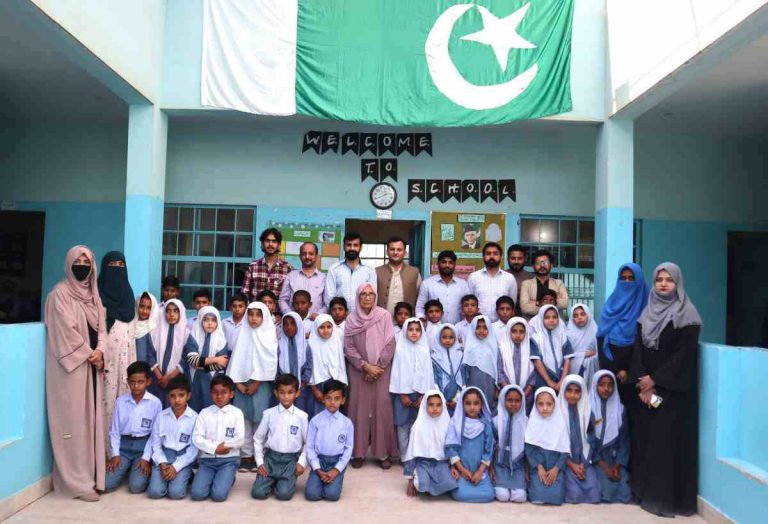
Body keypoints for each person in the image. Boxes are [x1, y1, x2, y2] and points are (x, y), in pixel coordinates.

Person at [630, 263, 702, 518]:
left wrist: (655, 381)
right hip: (646, 392)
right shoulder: (646, 313)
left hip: (670, 393)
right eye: (659, 279)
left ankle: (664, 499)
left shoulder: (688, 315)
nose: (662, 284)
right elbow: (637, 348)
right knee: (645, 440)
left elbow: (684, 355)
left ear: (678, 284)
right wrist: (642, 383)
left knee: (664, 443)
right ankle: (642, 492)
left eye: (668, 280)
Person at [45, 245, 107, 501]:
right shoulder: (59, 294)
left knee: (91, 423)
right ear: (68, 263)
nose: (82, 264)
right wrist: (88, 352)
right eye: (77, 260)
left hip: (93, 366)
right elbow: (64, 329)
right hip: (72, 370)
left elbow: (102, 327)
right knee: (73, 423)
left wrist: (101, 350)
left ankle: (92, 477)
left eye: (87, 260)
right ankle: (76, 482)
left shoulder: (94, 295)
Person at [343, 283, 397, 469]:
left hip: (381, 372)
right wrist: (365, 366)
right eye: (363, 295)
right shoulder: (351, 319)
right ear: (358, 298)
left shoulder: (384, 316)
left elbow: (390, 343)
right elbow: (348, 347)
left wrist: (377, 368)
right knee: (358, 409)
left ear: (375, 297)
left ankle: (383, 453)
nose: (367, 297)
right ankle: (357, 452)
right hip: (359, 372)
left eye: (371, 294)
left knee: (382, 409)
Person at [227, 302, 277, 471]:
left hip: (261, 385)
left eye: (258, 314)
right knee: (244, 419)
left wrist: (256, 383)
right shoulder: (243, 334)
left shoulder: (269, 337)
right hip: (241, 384)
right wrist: (239, 384)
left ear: (264, 317)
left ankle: (259, 455)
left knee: (260, 420)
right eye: (251, 314)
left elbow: (270, 363)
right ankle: (246, 455)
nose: (254, 318)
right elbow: (235, 361)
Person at [104, 361, 162, 494]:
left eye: (141, 382)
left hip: (143, 446)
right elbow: (115, 431)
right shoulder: (121, 402)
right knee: (106, 484)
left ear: (148, 382)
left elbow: (155, 434)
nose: (136, 386)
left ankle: (141, 471)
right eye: (132, 382)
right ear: (128, 381)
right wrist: (115, 454)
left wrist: (146, 458)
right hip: (124, 447)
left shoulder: (155, 403)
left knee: (136, 487)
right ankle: (125, 468)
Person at [596, 263, 649, 408]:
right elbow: (601, 340)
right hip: (612, 375)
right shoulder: (610, 308)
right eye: (623, 278)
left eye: (631, 279)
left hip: (640, 376)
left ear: (639, 282)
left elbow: (647, 346)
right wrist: (617, 370)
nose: (626, 282)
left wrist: (630, 373)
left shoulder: (647, 310)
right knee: (613, 414)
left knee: (640, 413)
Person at [99, 251, 137, 444]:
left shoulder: (130, 302)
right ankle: (100, 454)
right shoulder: (96, 300)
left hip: (125, 371)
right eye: (112, 265)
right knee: (101, 410)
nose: (116, 269)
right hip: (102, 370)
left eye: (120, 265)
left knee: (124, 410)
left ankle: (120, 455)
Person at [251, 374, 309, 501]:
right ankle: (270, 480)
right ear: (276, 393)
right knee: (258, 493)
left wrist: (301, 463)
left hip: (290, 460)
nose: (286, 396)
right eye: (282, 392)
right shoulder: (269, 414)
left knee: (284, 495)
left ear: (297, 393)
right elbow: (258, 438)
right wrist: (260, 462)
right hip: (270, 459)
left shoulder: (302, 417)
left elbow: (308, 443)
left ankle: (282, 481)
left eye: (290, 392)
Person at [190, 374, 244, 502]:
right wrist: (214, 448)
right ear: (211, 393)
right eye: (215, 393)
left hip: (228, 460)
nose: (219, 396)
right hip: (207, 461)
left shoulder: (237, 413)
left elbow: (240, 438)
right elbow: (197, 438)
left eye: (223, 392)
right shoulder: (204, 413)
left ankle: (229, 476)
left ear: (231, 394)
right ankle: (216, 477)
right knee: (198, 494)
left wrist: (224, 446)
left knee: (218, 496)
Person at [147, 376, 198, 500]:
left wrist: (176, 467)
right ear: (167, 397)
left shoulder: (195, 418)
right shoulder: (161, 416)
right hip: (164, 456)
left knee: (175, 493)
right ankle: (166, 476)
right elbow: (156, 444)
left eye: (181, 395)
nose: (177, 400)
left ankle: (187, 474)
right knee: (155, 492)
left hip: (183, 457)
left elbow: (194, 449)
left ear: (188, 396)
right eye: (172, 396)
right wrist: (162, 462)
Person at [305, 380, 354, 502]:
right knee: (311, 495)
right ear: (323, 398)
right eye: (328, 398)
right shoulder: (315, 421)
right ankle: (320, 479)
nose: (332, 402)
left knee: (332, 495)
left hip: (336, 462)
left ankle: (333, 481)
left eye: (337, 398)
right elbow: (309, 447)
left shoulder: (347, 423)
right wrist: (317, 469)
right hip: (319, 461)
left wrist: (336, 469)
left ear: (343, 400)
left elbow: (348, 449)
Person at [390, 318, 433, 456]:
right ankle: (404, 456)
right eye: (410, 329)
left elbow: (428, 374)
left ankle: (415, 454)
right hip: (402, 395)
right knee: (402, 426)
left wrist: (423, 396)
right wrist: (402, 394)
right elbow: (396, 373)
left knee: (417, 426)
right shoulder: (400, 350)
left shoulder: (425, 350)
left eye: (417, 330)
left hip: (420, 395)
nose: (414, 333)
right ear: (405, 331)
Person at [587, 370, 632, 504]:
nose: (606, 389)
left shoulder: (621, 410)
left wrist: (617, 465)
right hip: (596, 459)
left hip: (615, 459)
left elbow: (624, 440)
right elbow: (587, 441)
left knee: (625, 491)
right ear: (595, 385)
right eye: (601, 385)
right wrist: (604, 466)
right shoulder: (588, 409)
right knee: (604, 489)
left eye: (610, 385)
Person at [403, 390, 458, 497]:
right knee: (422, 484)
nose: (435, 408)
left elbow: (452, 448)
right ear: (424, 406)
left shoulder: (447, 425)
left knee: (451, 483)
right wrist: (410, 481)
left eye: (438, 405)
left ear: (443, 406)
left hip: (441, 464)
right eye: (431, 405)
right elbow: (410, 453)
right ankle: (417, 477)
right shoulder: (418, 426)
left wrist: (453, 466)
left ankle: (433, 484)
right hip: (423, 464)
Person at [445, 387, 495, 503]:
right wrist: (462, 470)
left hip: (480, 471)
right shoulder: (455, 423)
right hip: (462, 471)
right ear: (462, 404)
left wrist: (480, 472)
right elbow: (451, 449)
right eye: (468, 403)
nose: (472, 407)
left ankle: (480, 479)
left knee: (488, 494)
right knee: (460, 494)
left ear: (481, 404)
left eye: (476, 403)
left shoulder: (486, 425)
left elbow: (488, 451)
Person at [558, 374, 600, 504]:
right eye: (569, 391)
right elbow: (556, 444)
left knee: (595, 495)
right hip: (565, 462)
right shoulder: (557, 413)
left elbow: (592, 441)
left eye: (577, 391)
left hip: (584, 462)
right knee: (574, 495)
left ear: (583, 393)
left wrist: (583, 464)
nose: (572, 395)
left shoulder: (588, 413)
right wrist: (571, 465)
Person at [525, 387, 569, 505]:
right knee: (536, 497)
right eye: (540, 404)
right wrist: (539, 467)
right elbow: (529, 449)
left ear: (555, 404)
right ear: (535, 405)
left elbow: (565, 450)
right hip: (538, 469)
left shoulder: (560, 423)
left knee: (556, 497)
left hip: (556, 469)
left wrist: (556, 469)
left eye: (549, 404)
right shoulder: (533, 423)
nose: (545, 408)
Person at [183, 306, 230, 412]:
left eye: (213, 320)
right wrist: (215, 359)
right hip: (194, 379)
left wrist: (199, 364)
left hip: (212, 381)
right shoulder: (193, 336)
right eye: (206, 319)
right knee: (194, 410)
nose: (209, 323)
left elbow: (222, 364)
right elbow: (192, 360)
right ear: (200, 320)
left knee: (211, 411)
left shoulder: (221, 339)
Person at [491, 385, 528, 503]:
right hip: (500, 465)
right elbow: (491, 446)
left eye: (517, 401)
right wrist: (490, 467)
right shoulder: (496, 421)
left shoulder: (526, 422)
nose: (513, 404)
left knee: (520, 497)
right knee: (502, 496)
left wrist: (527, 469)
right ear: (503, 400)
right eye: (510, 400)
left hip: (518, 466)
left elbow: (528, 449)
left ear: (522, 402)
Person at [148, 299, 187, 407]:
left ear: (181, 312)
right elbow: (150, 353)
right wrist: (160, 377)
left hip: (176, 378)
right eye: (168, 311)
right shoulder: (155, 330)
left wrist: (168, 377)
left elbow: (185, 358)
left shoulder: (187, 333)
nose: (171, 314)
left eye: (175, 311)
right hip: (157, 378)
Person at [324, 232, 377, 312]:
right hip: (339, 319)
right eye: (349, 245)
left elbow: (373, 296)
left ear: (360, 247)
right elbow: (329, 297)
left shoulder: (369, 269)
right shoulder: (334, 269)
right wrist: (338, 313)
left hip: (362, 319)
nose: (352, 248)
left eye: (355, 245)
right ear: (344, 247)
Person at [308, 314, 348, 417]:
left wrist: (342, 385)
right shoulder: (311, 344)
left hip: (335, 384)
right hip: (318, 385)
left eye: (329, 327)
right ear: (316, 328)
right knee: (319, 415)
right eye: (322, 327)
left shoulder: (336, 342)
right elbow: (309, 369)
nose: (326, 330)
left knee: (334, 416)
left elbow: (341, 365)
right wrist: (314, 389)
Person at [416, 250, 470, 325]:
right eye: (444, 262)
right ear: (438, 264)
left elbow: (468, 306)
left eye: (450, 262)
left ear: (454, 265)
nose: (447, 265)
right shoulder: (427, 284)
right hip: (433, 331)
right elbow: (420, 308)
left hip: (458, 331)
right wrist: (422, 324)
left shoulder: (463, 284)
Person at [468, 243, 518, 322]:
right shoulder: (473, 277)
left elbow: (512, 303)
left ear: (501, 257)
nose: (491, 256)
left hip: (502, 326)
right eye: (488, 254)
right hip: (479, 326)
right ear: (483, 257)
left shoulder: (509, 278)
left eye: (495, 254)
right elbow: (469, 302)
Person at [241, 228, 294, 303]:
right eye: (267, 241)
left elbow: (291, 295)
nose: (270, 244)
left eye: (274, 241)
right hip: (256, 313)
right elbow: (244, 293)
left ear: (279, 245)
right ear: (262, 244)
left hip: (278, 314)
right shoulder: (253, 267)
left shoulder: (288, 268)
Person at [530, 305, 574, 392]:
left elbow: (567, 359)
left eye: (554, 317)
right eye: (547, 317)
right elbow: (536, 361)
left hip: (561, 377)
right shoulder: (535, 338)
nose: (551, 320)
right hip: (542, 378)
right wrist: (549, 381)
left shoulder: (562, 336)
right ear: (541, 319)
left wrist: (562, 380)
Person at [277, 312, 314, 415]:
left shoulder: (306, 345)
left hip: (300, 390)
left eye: (293, 323)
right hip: (282, 389)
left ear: (299, 325)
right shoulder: (278, 344)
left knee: (299, 415)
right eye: (285, 324)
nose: (289, 327)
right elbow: (275, 366)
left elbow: (309, 366)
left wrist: (302, 382)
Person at [461, 315, 499, 414]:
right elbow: (465, 370)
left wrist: (497, 387)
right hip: (473, 383)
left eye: (485, 327)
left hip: (489, 384)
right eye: (478, 327)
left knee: (488, 407)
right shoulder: (469, 348)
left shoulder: (494, 347)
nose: (481, 330)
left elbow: (497, 368)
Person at [279, 241, 327, 317]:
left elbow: (327, 303)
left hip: (316, 323)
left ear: (317, 256)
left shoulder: (324, 278)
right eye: (304, 254)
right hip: (293, 324)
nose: (307, 256)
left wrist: (319, 314)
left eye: (311, 254)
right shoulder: (291, 276)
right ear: (300, 256)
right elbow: (283, 300)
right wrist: (290, 314)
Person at [376, 236, 422, 314]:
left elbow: (421, 298)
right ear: (387, 252)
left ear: (405, 253)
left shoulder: (414, 272)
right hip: (382, 320)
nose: (395, 252)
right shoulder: (377, 272)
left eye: (399, 250)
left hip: (407, 321)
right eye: (392, 249)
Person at [497, 318, 535, 411]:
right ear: (508, 331)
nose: (518, 335)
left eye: (521, 332)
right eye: (514, 331)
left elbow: (533, 374)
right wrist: (509, 392)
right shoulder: (502, 348)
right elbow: (499, 371)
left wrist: (524, 394)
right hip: (507, 394)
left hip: (527, 395)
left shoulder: (531, 348)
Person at [520, 250, 569, 319]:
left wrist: (536, 302)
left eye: (545, 262)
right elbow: (524, 307)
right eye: (538, 263)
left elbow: (565, 303)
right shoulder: (526, 284)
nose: (542, 265)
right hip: (532, 326)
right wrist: (553, 302)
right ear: (533, 267)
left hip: (555, 325)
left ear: (551, 266)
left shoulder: (558, 283)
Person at [430, 324, 464, 415]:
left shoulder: (460, 356)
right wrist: (441, 399)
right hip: (440, 400)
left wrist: (457, 398)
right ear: (438, 338)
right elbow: (433, 380)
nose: (448, 340)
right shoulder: (434, 358)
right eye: (444, 337)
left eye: (451, 337)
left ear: (456, 338)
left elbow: (464, 379)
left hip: (457, 400)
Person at [566, 303, 600, 386]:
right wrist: (584, 354)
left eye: (583, 314)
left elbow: (600, 352)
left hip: (593, 369)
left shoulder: (596, 332)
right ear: (572, 318)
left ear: (588, 315)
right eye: (575, 315)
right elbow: (567, 355)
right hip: (575, 371)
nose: (579, 317)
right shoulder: (568, 334)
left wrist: (595, 354)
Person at [507, 244, 534, 312]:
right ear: (507, 259)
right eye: (513, 258)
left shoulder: (532, 279)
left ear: (525, 259)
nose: (516, 261)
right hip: (504, 318)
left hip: (526, 318)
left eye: (519, 258)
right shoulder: (501, 276)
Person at [133, 292, 159, 363]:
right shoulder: (130, 325)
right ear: (137, 305)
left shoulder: (153, 328)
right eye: (141, 306)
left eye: (149, 308)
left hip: (146, 369)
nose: (144, 311)